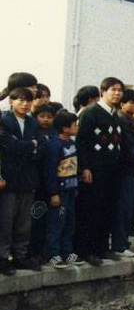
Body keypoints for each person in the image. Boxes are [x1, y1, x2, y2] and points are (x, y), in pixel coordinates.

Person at [75, 77, 124, 266]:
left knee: (108, 208)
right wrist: (84, 167)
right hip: (95, 169)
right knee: (91, 209)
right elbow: (81, 141)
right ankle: (86, 250)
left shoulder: (114, 114)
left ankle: (102, 247)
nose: (117, 93)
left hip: (112, 168)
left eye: (120, 90)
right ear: (103, 91)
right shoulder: (90, 112)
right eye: (113, 89)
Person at [0, 87, 46, 274]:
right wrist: (30, 145)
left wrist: (26, 146)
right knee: (6, 220)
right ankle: (3, 258)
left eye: (28, 100)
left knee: (23, 222)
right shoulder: (4, 120)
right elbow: (8, 146)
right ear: (11, 102)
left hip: (28, 178)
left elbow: (42, 146)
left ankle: (20, 256)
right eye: (20, 100)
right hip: (9, 179)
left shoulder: (32, 123)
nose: (25, 104)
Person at [44, 111, 84, 269]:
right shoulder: (54, 145)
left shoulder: (72, 143)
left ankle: (67, 252)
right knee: (56, 223)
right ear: (65, 128)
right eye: (75, 125)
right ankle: (53, 253)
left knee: (69, 222)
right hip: (59, 192)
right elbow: (49, 171)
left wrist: (75, 186)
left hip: (70, 190)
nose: (77, 127)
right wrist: (53, 193)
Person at [115, 89, 134, 257]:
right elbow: (127, 148)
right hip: (124, 169)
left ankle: (124, 241)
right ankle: (120, 244)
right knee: (123, 208)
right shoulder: (121, 120)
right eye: (131, 102)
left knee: (130, 208)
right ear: (122, 104)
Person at [28, 103, 56, 265]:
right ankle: (32, 252)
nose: (46, 120)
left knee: (47, 219)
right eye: (42, 116)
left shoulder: (54, 134)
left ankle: (44, 251)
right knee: (34, 219)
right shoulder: (32, 134)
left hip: (51, 183)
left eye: (49, 117)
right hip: (36, 182)